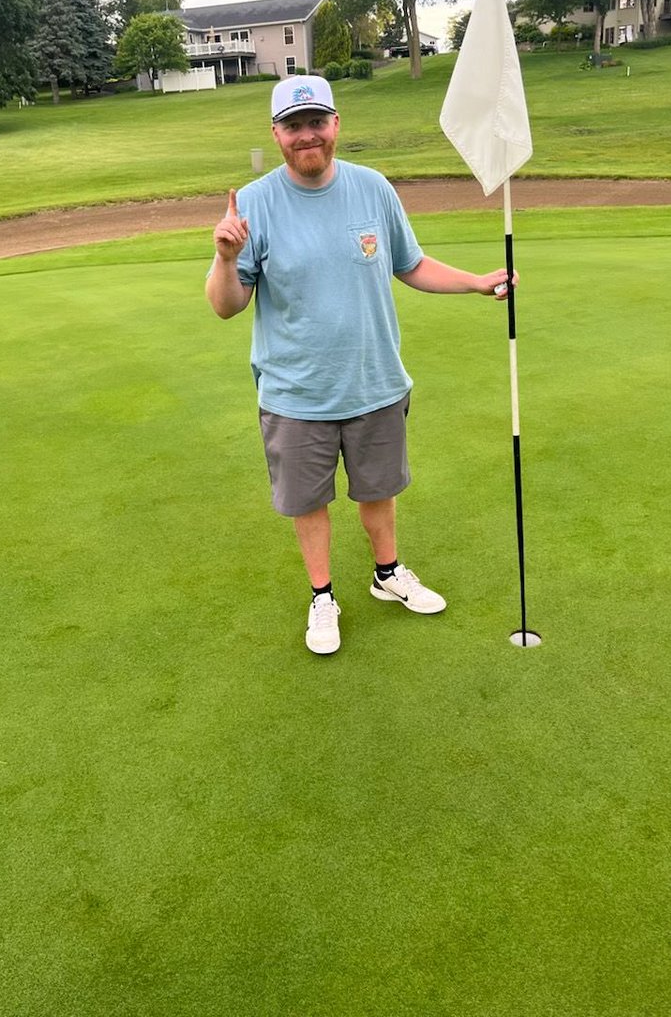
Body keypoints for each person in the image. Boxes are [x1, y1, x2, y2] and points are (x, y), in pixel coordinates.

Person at [206, 76, 517, 655]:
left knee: (378, 491)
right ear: (276, 133)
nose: (307, 136)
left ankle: (387, 574)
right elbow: (227, 306)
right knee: (309, 502)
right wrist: (226, 259)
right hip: (296, 393)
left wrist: (476, 282)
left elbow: (411, 264)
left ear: (336, 124)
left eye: (316, 122)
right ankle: (323, 596)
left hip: (375, 382)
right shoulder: (252, 204)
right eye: (293, 126)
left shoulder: (374, 189)